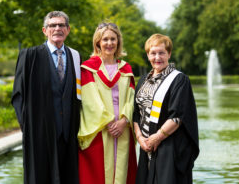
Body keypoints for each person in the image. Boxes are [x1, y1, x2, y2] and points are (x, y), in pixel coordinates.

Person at [11, 11, 81, 184]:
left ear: (68, 29)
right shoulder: (29, 56)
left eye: (61, 25)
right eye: (52, 25)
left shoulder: (75, 57)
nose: (57, 28)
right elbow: (18, 96)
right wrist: (28, 127)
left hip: (68, 134)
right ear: (44, 30)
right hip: (39, 135)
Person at [133, 33, 199, 184]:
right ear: (148, 55)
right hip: (145, 146)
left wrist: (157, 137)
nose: (157, 57)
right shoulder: (143, 80)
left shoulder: (179, 79)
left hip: (169, 146)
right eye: (153, 53)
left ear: (169, 54)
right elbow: (136, 114)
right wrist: (140, 138)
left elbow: (178, 115)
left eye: (161, 53)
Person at [78, 22, 137, 184]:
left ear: (118, 41)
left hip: (122, 130)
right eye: (105, 39)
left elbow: (132, 99)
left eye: (113, 39)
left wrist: (124, 121)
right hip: (100, 130)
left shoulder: (126, 69)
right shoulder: (88, 68)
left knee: (123, 172)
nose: (109, 43)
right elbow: (89, 101)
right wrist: (110, 121)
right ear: (98, 42)